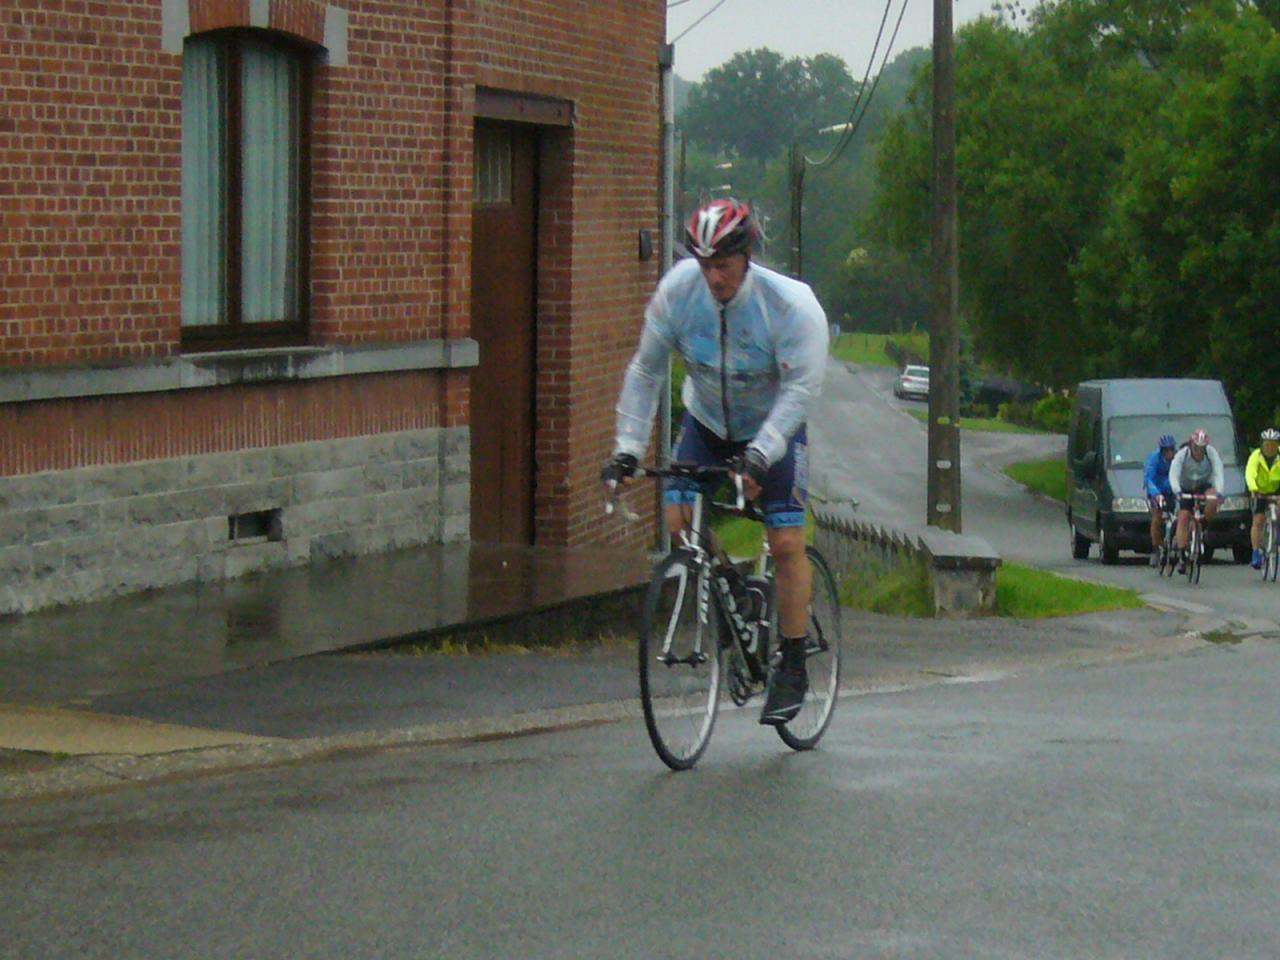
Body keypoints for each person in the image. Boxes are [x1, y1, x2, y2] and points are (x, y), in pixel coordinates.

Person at [601, 198, 829, 725]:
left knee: (786, 542)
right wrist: (627, 448)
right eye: (704, 266)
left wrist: (760, 455)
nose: (714, 278)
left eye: (723, 266)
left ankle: (793, 663)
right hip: (707, 422)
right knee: (679, 524)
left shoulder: (789, 307)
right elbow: (646, 371)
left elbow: (801, 390)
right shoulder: (678, 293)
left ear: (747, 257)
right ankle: (733, 590)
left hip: (774, 428)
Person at [1169, 429, 1224, 574]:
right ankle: (1182, 554)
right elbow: (1173, 474)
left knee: (1213, 499)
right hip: (1186, 486)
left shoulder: (1211, 453)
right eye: (1196, 447)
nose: (1198, 451)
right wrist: (1177, 491)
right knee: (1184, 517)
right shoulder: (1182, 454)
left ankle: (1203, 524)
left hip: (1203, 485)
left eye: (1201, 448)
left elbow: (1218, 472)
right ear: (1191, 444)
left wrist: (1219, 492)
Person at [1244, 427, 1280, 569]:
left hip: (1276, 488)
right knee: (1258, 520)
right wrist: (1253, 489)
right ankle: (1256, 552)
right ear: (1262, 445)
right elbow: (1250, 473)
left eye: (1273, 445)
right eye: (1267, 445)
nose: (1270, 448)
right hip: (1260, 490)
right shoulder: (1256, 456)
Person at [1142, 434, 1177, 567]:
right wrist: (1156, 494)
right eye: (1166, 450)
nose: (1169, 453)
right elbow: (1149, 479)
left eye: (1171, 450)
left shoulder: (1177, 460)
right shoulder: (1154, 459)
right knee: (1157, 516)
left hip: (1172, 490)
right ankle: (1155, 549)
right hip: (1157, 491)